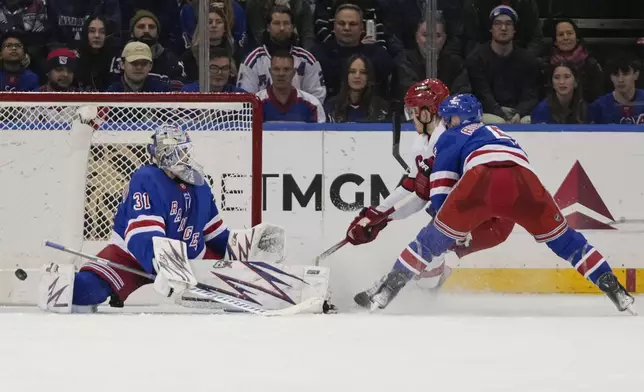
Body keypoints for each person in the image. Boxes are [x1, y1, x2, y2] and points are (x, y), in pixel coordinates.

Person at [348, 88, 636, 314]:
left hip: (482, 182)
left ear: (456, 120)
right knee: (567, 242)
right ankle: (616, 290)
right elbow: (516, 172)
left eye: (448, 119)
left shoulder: (452, 135)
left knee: (429, 241)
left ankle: (386, 291)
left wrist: (446, 227)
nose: (446, 123)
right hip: (525, 185)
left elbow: (440, 193)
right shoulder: (501, 134)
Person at [37, 125, 326, 313]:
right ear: (164, 157)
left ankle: (281, 288)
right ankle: (57, 284)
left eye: (186, 150)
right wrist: (160, 266)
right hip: (133, 256)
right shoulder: (146, 178)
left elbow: (215, 235)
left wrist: (244, 247)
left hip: (189, 257)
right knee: (88, 291)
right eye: (178, 152)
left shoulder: (200, 185)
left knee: (240, 277)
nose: (185, 157)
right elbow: (141, 237)